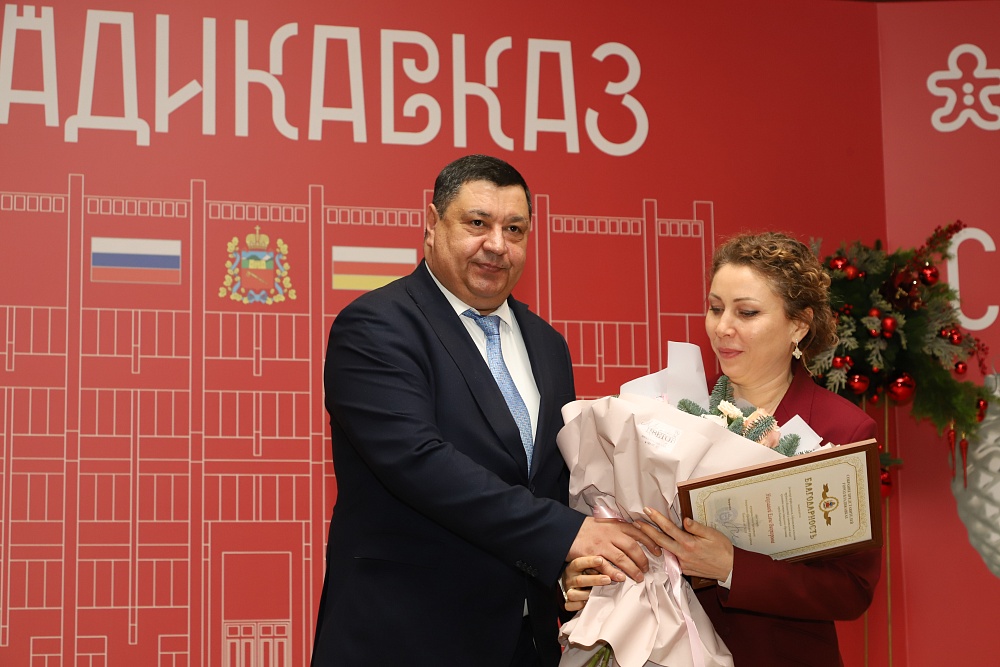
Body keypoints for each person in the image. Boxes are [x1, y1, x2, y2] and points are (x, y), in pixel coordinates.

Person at [311, 154, 658, 667]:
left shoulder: (547, 344)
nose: (497, 244)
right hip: (403, 637)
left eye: (514, 229)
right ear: (432, 224)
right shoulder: (375, 326)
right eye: (478, 223)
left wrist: (573, 563)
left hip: (526, 643)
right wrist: (567, 533)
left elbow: (550, 479)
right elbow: (419, 462)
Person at [562, 231, 881, 666]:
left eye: (746, 312)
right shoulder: (667, 409)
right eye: (715, 308)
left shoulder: (841, 429)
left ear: (799, 325)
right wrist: (586, 572)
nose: (722, 327)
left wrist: (731, 567)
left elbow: (850, 590)